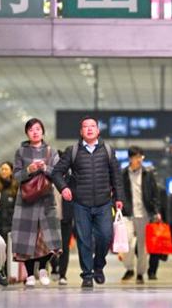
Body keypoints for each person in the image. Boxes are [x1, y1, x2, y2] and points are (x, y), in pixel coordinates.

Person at [51, 117, 124, 289]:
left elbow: (116, 176)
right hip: (80, 204)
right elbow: (56, 173)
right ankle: (87, 275)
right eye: (85, 126)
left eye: (93, 126)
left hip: (104, 203)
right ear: (81, 131)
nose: (89, 129)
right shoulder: (73, 151)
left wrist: (119, 198)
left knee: (105, 236)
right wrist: (63, 188)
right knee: (84, 240)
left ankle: (98, 266)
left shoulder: (107, 150)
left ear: (98, 130)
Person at [12, 119, 63, 287]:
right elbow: (16, 176)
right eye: (31, 129)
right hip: (26, 200)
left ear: (43, 131)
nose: (35, 132)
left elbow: (58, 173)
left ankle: (42, 269)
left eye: (38, 129)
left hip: (46, 199)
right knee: (27, 238)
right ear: (27, 133)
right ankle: (29, 275)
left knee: (48, 237)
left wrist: (45, 168)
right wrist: (29, 170)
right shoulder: (21, 152)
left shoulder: (51, 152)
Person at [120, 146, 164, 283]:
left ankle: (140, 273)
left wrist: (156, 211)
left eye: (141, 157)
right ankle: (129, 268)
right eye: (137, 157)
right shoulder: (123, 174)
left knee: (142, 246)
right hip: (127, 213)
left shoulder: (148, 174)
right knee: (127, 242)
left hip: (144, 213)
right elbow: (118, 192)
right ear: (130, 158)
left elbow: (155, 194)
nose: (139, 160)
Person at [0, 162, 18, 242]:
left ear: (11, 171)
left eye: (6, 169)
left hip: (12, 223)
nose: (3, 171)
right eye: (2, 169)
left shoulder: (16, 187)